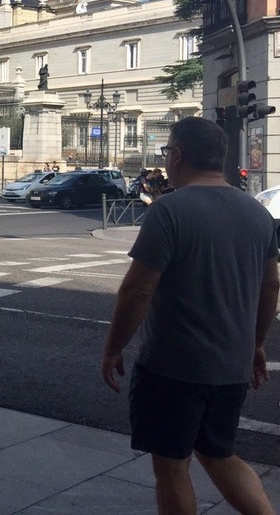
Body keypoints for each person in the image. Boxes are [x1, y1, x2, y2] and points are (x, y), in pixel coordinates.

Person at [101, 116, 279, 515]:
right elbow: (271, 288)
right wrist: (257, 344)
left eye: (166, 154)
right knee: (219, 454)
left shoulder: (169, 210)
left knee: (172, 467)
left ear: (178, 156)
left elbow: (137, 289)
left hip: (173, 368)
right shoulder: (258, 214)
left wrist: (114, 348)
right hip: (230, 368)